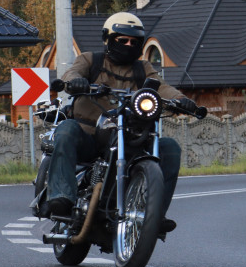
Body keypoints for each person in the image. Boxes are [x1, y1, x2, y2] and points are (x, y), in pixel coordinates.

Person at [44, 12, 199, 237]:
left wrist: (181, 100)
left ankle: (155, 214)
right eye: (122, 40)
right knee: (66, 129)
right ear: (109, 39)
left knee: (170, 148)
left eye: (134, 42)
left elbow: (161, 87)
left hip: (128, 135)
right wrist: (74, 81)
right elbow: (73, 72)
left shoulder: (142, 68)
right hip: (90, 135)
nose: (128, 45)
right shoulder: (91, 60)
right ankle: (61, 197)